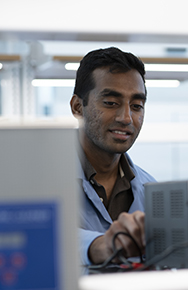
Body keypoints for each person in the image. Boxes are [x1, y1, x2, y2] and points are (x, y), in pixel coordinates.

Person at [70, 47, 156, 265]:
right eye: (111, 103)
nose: (126, 117)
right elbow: (32, 243)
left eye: (136, 106)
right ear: (78, 107)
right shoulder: (34, 182)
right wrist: (99, 245)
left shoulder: (151, 191)